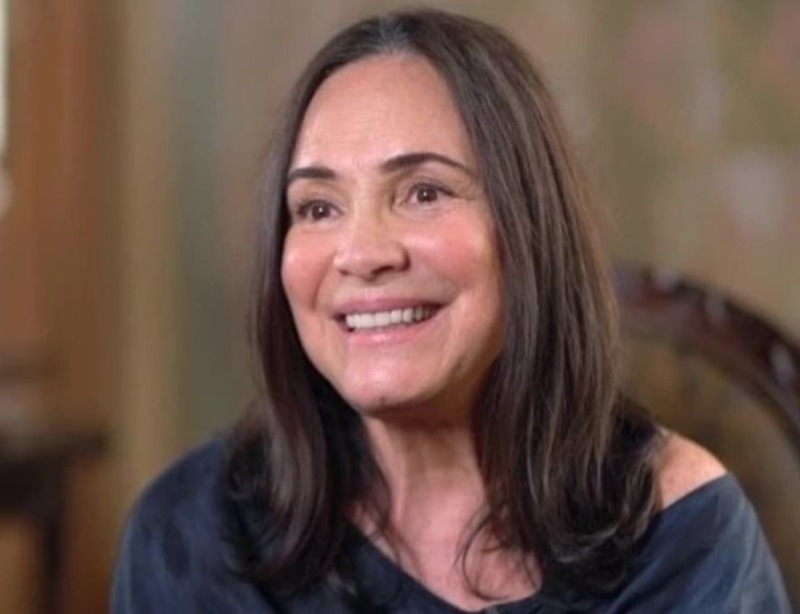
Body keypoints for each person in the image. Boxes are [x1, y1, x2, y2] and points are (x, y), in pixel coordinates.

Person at [112, 8, 790, 613]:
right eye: (317, 207)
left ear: (530, 230)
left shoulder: (682, 536)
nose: (362, 253)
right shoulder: (189, 535)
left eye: (424, 193)